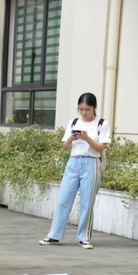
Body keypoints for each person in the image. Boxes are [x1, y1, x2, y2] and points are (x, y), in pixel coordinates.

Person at [39, 92, 111, 249]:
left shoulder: (102, 124)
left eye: (87, 109)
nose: (84, 113)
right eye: (81, 109)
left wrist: (87, 138)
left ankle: (84, 238)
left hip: (91, 163)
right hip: (73, 163)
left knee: (87, 202)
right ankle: (54, 235)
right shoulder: (73, 122)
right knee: (63, 200)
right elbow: (65, 147)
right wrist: (72, 138)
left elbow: (100, 148)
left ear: (95, 108)